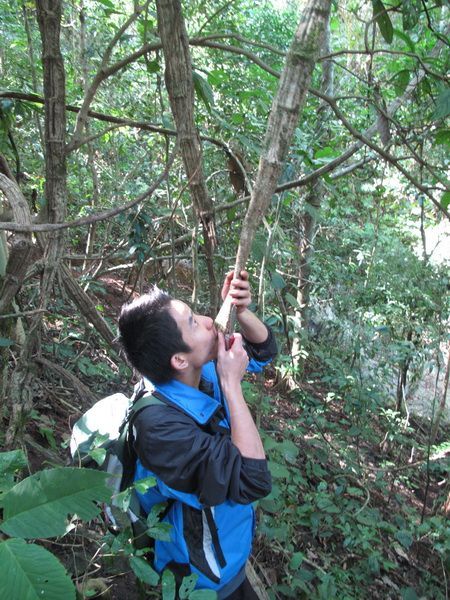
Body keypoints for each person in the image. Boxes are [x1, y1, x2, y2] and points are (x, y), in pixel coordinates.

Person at [118, 271, 277, 599]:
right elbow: (252, 480)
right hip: (200, 577)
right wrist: (231, 384)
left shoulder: (197, 370)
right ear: (178, 359)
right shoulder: (158, 430)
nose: (208, 320)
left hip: (229, 550)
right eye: (193, 322)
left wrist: (242, 312)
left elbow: (262, 353)